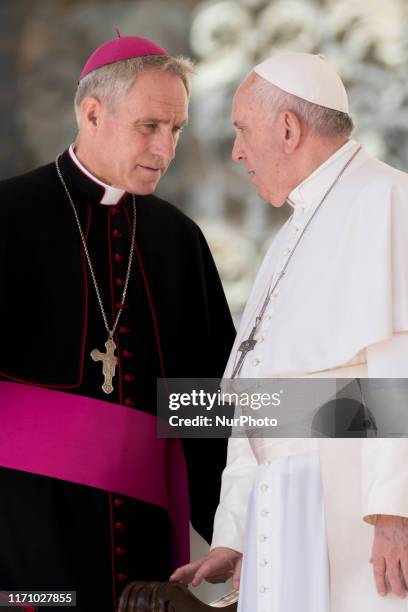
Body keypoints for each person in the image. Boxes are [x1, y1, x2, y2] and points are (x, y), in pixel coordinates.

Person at [0, 34, 235, 611]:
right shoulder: (7, 217)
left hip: (147, 553)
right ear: (92, 112)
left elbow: (210, 400)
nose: (167, 147)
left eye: (176, 129)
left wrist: (240, 524)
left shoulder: (176, 239)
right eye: (150, 126)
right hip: (26, 540)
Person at [171, 52, 408, 611]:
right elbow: (260, 392)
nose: (235, 151)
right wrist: (232, 528)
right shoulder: (289, 233)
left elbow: (400, 366)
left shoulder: (389, 200)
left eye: (242, 131)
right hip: (283, 505)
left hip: (355, 511)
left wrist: (396, 508)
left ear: (286, 128)